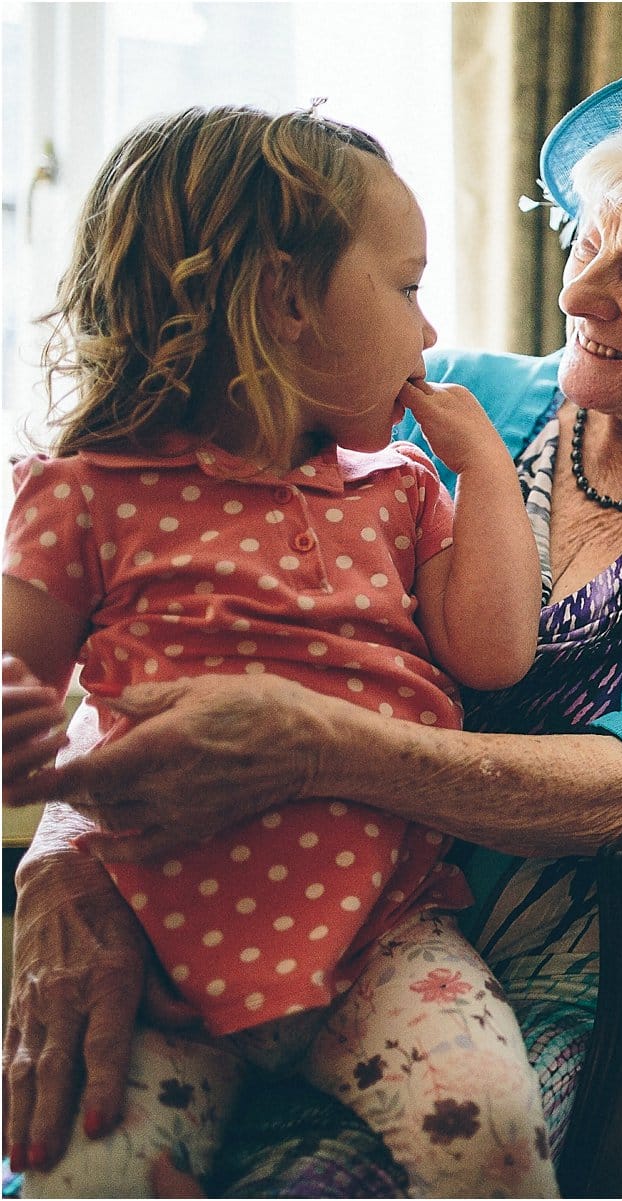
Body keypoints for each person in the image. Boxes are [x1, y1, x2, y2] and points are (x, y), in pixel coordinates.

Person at [2, 13, 622, 1195]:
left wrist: (316, 749)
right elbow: (179, 585)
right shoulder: (430, 400)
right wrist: (71, 847)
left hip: (588, 957)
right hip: (265, 890)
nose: (576, 289)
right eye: (587, 243)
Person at [4, 104, 553, 1197]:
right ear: (284, 299)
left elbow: (492, 653)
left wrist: (486, 473)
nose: (429, 331)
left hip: (386, 938)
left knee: (493, 1130)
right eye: (405, 288)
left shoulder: (398, 487)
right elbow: (16, 669)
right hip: (153, 955)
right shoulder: (86, 493)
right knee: (81, 1175)